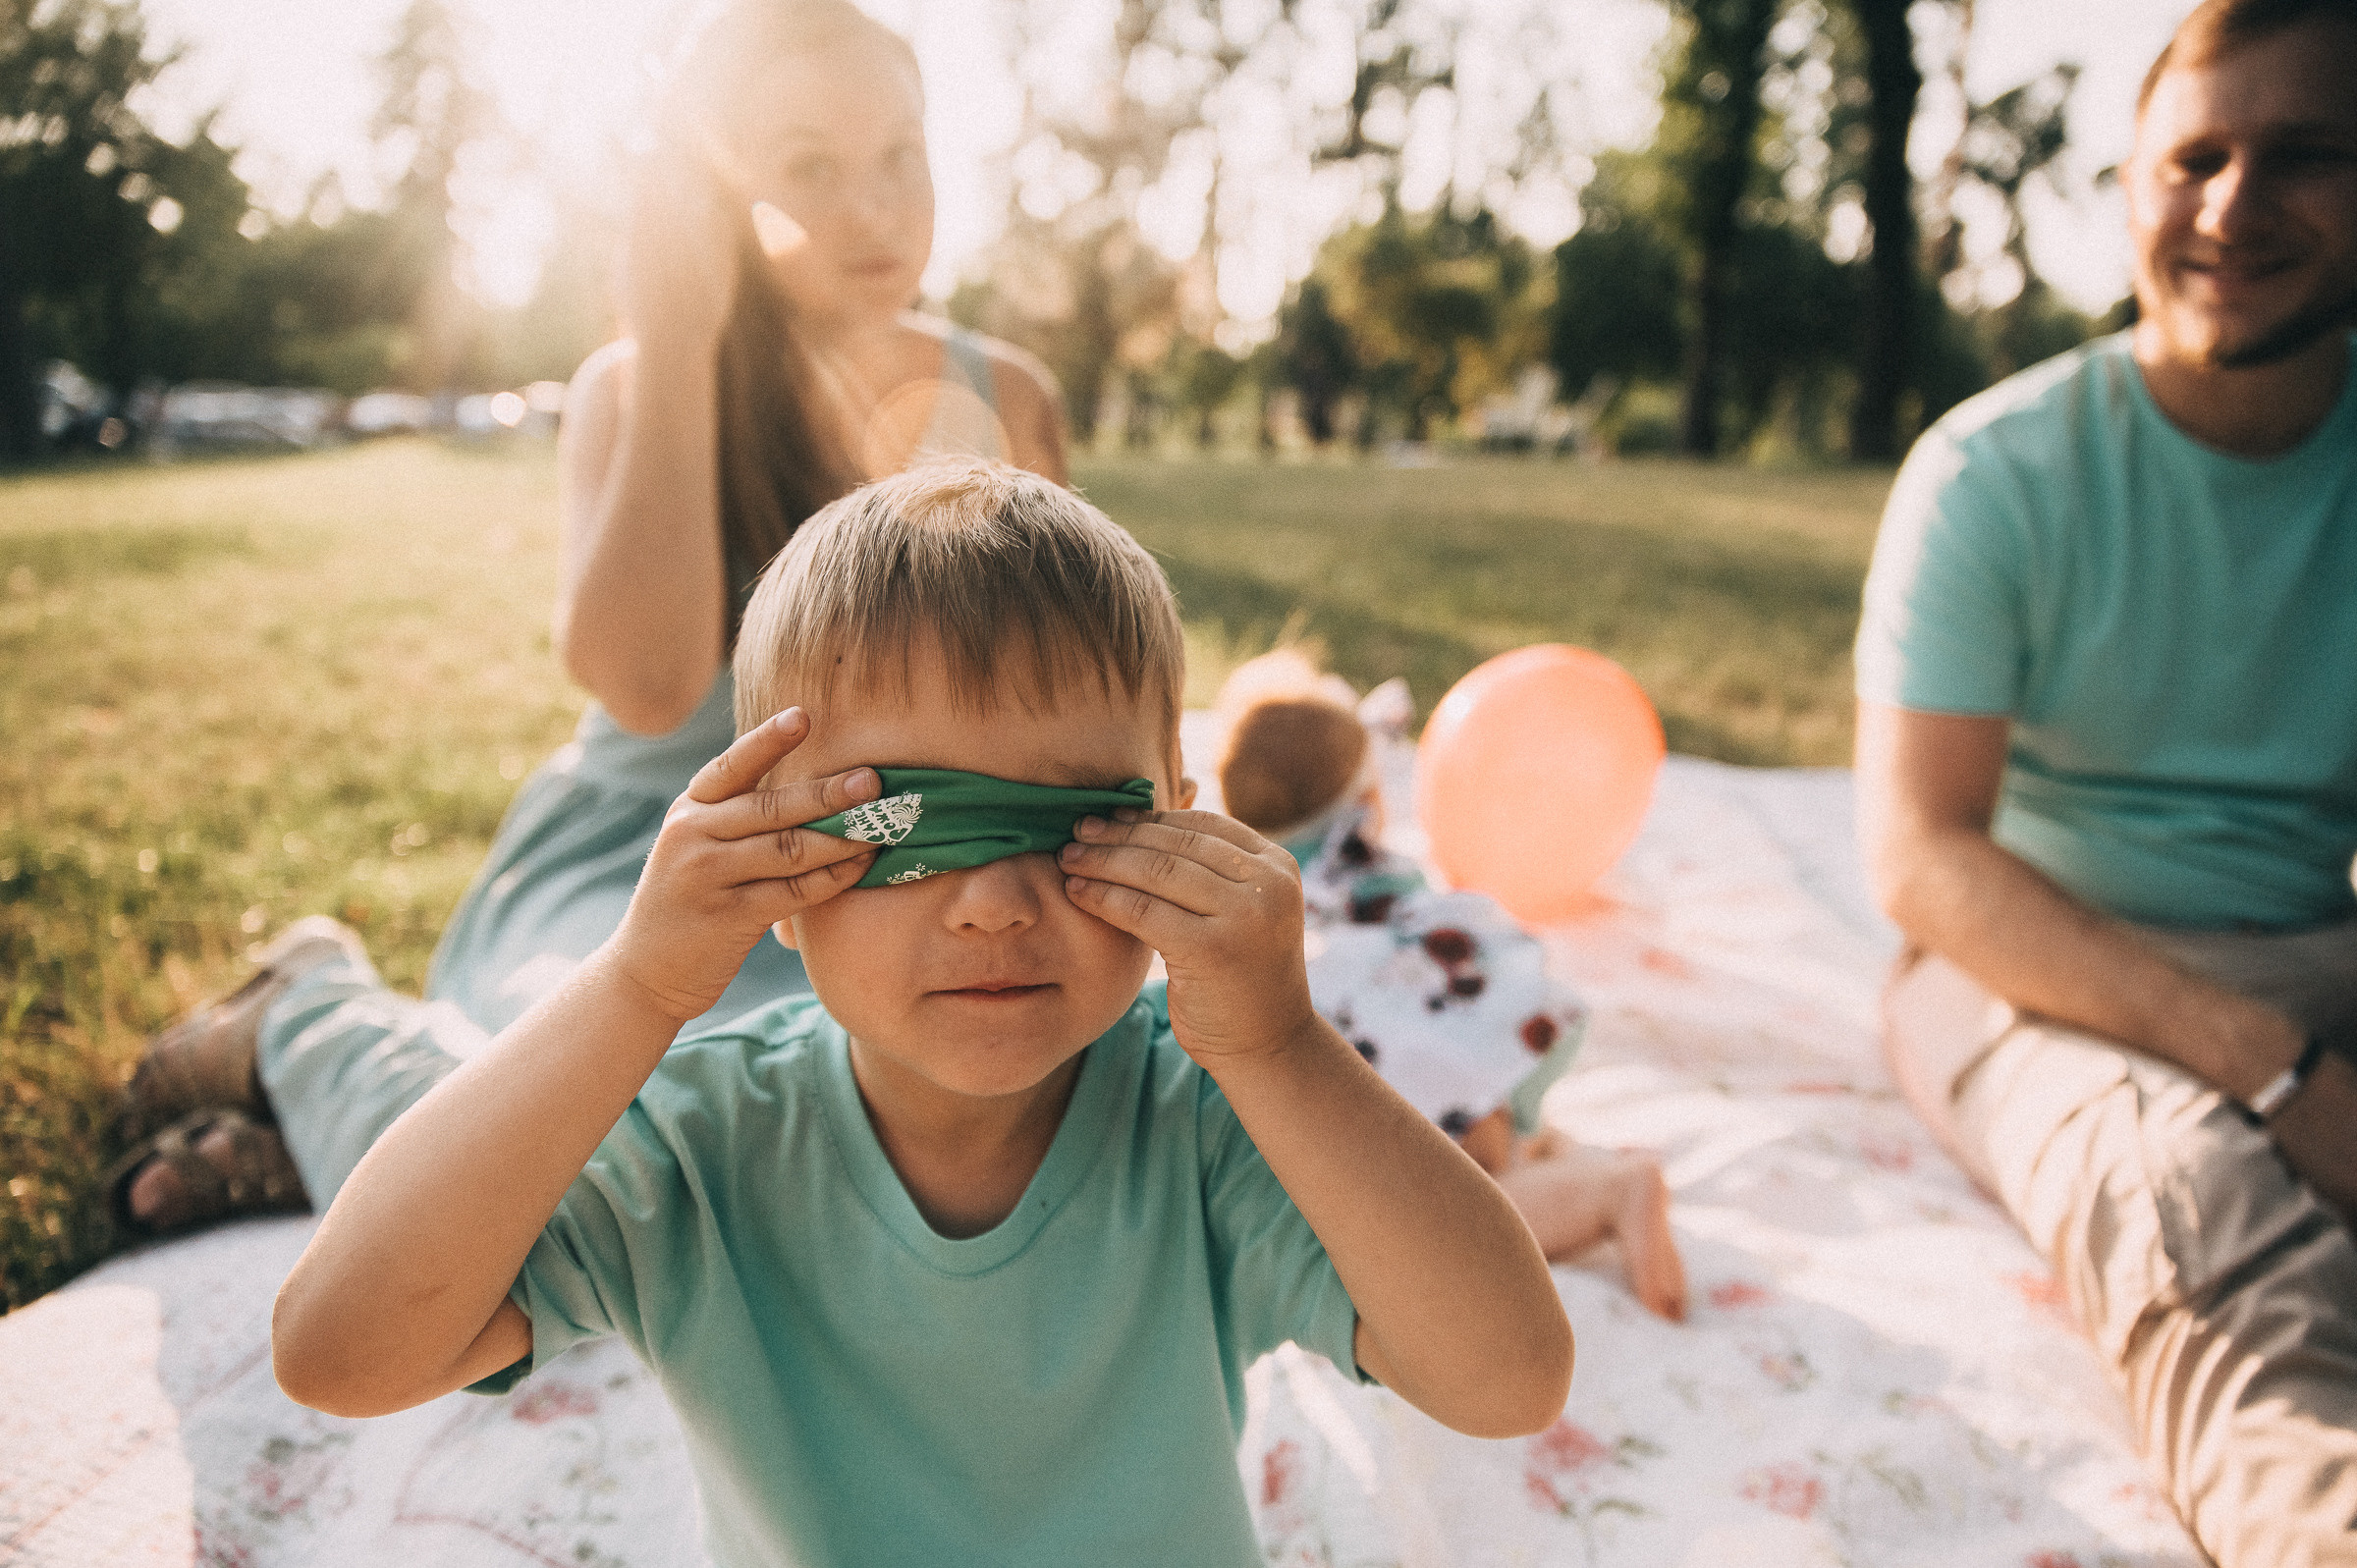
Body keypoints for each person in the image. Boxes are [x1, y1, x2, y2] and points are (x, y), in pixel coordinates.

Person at [268, 460, 1576, 1566]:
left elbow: (1509, 1379)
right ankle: (292, 1013)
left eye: (1070, 823)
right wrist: (636, 989)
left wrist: (1284, 1047)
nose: (995, 903)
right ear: (774, 862)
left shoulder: (1207, 1118)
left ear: (1174, 820)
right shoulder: (700, 1147)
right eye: (909, 828)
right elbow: (340, 1351)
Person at [106, 0, 1067, 1231]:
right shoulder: (638, 385)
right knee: (698, 1134)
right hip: (655, 858)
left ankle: (360, 1129)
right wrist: (679, 346)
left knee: (962, 1121)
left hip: (907, 863)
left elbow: (1051, 691)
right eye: (808, 167)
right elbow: (650, 684)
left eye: (902, 154)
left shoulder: (1012, 397)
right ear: (723, 194)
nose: (874, 206)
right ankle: (309, 1021)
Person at [1852, 2, 2357, 1561]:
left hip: (2312, 952)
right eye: (2193, 157)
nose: (2231, 205)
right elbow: (1926, 860)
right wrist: (2274, 1072)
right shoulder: (1993, 474)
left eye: (2302, 157)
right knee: (2197, 1208)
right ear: (2131, 186)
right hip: (2031, 971)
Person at [1213, 650, 1688, 1320]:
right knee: (1478, 1151)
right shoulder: (1392, 886)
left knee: (1429, 1232)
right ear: (1369, 804)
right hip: (1463, 1044)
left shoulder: (1270, 904)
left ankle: (1609, 1192)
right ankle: (1528, 1147)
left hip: (1401, 1087)